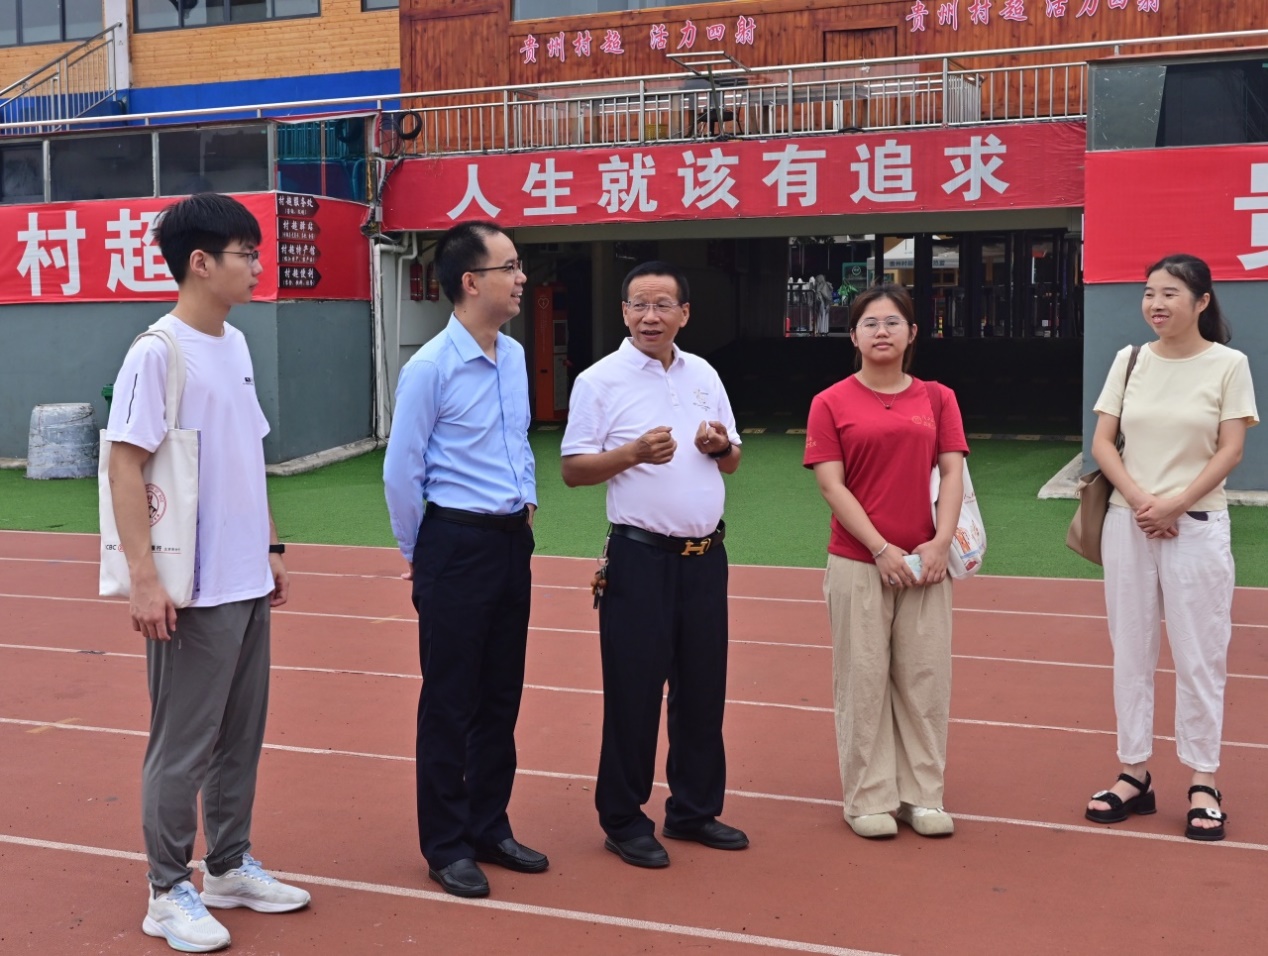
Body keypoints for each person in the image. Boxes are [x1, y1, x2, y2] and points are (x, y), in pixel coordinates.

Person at [104, 193, 310, 953]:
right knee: (182, 744)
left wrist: (270, 547)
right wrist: (144, 579)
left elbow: (246, 451)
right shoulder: (157, 352)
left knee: (239, 737)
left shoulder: (237, 343)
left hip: (244, 578)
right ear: (200, 262)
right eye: (246, 254)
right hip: (191, 588)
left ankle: (226, 866)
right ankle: (166, 890)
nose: (257, 266)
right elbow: (124, 466)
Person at [560, 260, 748, 869]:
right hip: (639, 558)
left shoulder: (704, 374)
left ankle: (693, 810)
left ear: (684, 314)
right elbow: (572, 470)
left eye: (663, 304)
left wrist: (720, 446)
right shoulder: (599, 381)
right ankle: (622, 819)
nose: (650, 316)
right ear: (623, 312)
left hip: (705, 558)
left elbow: (733, 457)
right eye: (639, 305)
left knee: (702, 690)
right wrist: (633, 453)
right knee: (634, 693)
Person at [383, 220, 545, 898]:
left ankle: (488, 825)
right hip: (454, 544)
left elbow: (518, 439)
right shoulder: (430, 367)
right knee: (450, 700)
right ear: (471, 281)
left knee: (501, 694)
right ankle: (446, 843)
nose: (521, 278)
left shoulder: (513, 355)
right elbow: (402, 469)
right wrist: (419, 553)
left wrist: (526, 501)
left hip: (510, 541)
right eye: (509, 267)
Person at [1084, 254, 1258, 842]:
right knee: (1130, 651)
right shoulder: (1129, 360)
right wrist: (1142, 502)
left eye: (1170, 294)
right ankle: (1133, 772)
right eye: (1149, 293)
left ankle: (1204, 780)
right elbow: (1103, 442)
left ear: (1202, 301)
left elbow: (1230, 449)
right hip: (1128, 522)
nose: (1156, 304)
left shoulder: (1228, 364)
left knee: (1200, 655)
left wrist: (1176, 504)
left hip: (1197, 525)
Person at [803, 282, 968, 840]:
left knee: (925, 681)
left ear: (912, 333)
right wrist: (879, 548)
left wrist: (940, 543)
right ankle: (868, 797)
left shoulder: (938, 398)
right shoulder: (830, 402)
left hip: (927, 565)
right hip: (858, 561)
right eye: (870, 323)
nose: (881, 332)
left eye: (892, 322)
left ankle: (922, 795)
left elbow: (952, 472)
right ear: (853, 336)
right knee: (863, 679)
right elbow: (832, 485)